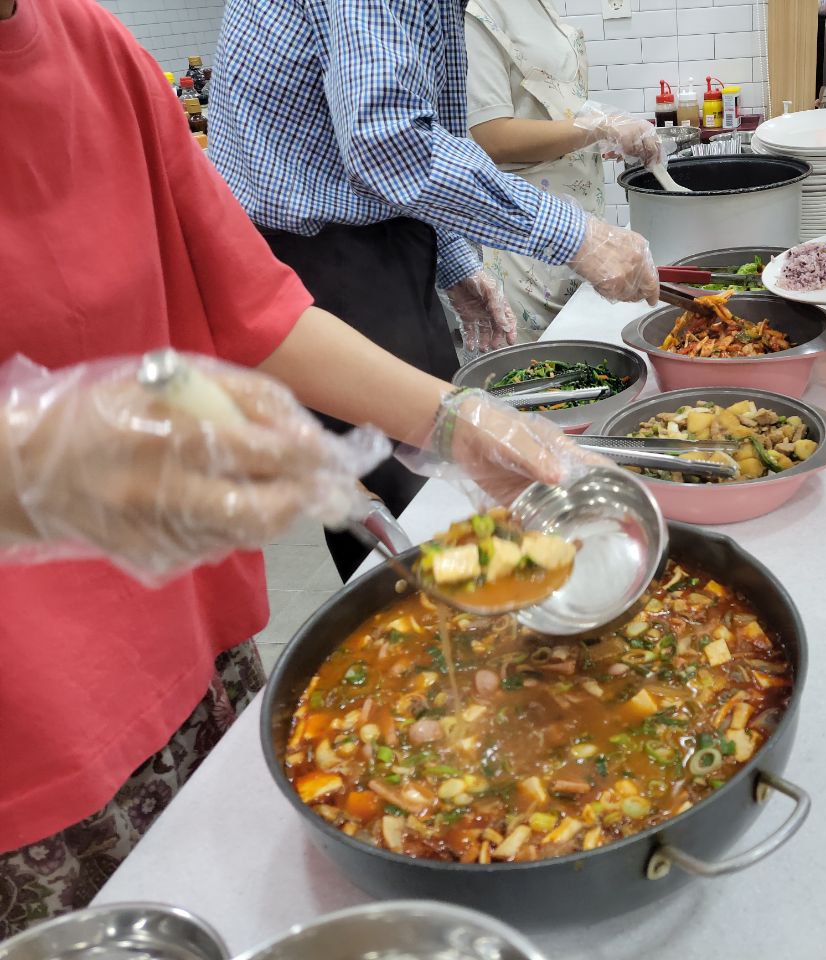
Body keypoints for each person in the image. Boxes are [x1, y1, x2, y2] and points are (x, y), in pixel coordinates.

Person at [0, 0, 599, 935]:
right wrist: (51, 452)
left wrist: (456, 421)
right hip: (28, 738)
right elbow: (389, 143)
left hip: (195, 643)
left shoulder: (95, 46)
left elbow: (252, 305)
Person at [208, 0, 659, 580]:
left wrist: (450, 258)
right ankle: (424, 629)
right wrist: (576, 236)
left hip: (375, 236)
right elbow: (386, 142)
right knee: (402, 498)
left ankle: (475, 596)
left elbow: (419, 131)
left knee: (441, 464)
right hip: (314, 258)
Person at [464, 0, 662, 343]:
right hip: (527, 239)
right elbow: (489, 136)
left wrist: (596, 137)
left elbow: (546, 111)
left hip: (576, 226)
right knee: (543, 370)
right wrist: (598, 127)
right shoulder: (477, 12)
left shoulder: (537, 6)